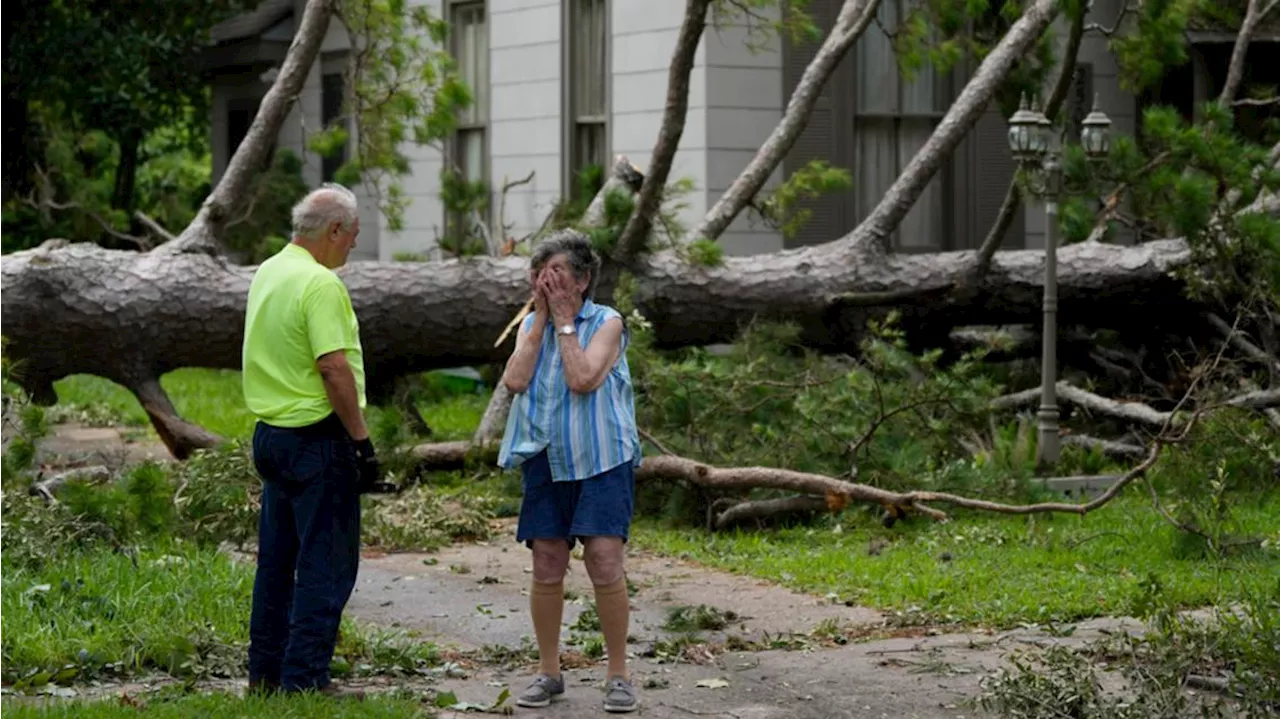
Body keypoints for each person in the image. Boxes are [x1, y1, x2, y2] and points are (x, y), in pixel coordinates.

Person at [241, 183, 381, 698]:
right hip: (317, 438)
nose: (353, 247)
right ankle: (305, 680)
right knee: (327, 563)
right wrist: (361, 442)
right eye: (354, 236)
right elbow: (333, 366)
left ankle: (265, 674)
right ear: (334, 230)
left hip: (271, 435)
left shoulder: (270, 271)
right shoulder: (320, 285)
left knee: (276, 564)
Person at [497, 230, 643, 714]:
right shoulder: (530, 325)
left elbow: (582, 379)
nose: (547, 281)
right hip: (546, 456)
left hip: (602, 458)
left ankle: (618, 674)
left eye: (557, 273)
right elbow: (515, 381)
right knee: (546, 561)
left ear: (582, 280)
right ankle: (549, 672)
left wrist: (564, 321)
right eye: (540, 274)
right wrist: (541, 319)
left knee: (603, 559)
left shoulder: (608, 323)